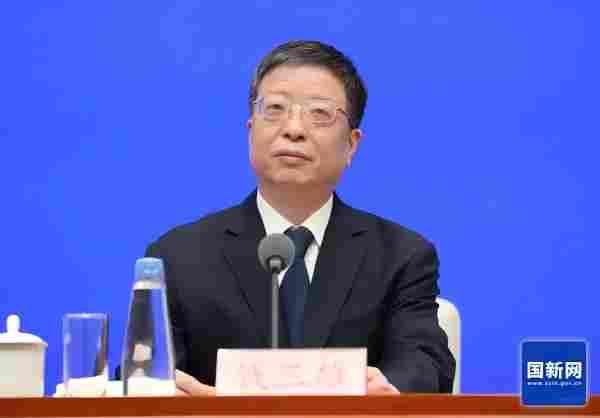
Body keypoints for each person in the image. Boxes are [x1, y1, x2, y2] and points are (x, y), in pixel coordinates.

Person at [145, 40, 455, 395]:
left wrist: (385, 390)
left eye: (319, 113)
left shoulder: (400, 256)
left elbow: (425, 363)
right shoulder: (178, 257)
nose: (293, 129)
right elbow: (144, 375)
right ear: (250, 129)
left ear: (352, 144)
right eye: (275, 109)